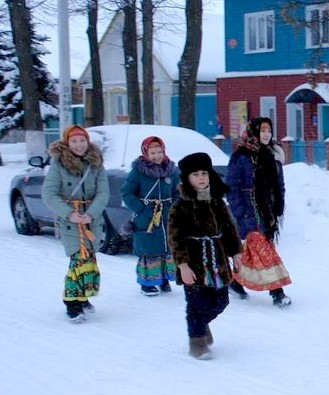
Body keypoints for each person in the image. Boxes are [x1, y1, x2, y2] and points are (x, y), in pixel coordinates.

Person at [168, 152, 242, 360]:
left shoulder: (217, 202)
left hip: (217, 261)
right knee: (196, 304)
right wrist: (182, 265)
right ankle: (197, 342)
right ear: (187, 179)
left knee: (221, 301)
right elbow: (175, 238)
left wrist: (235, 253)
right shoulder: (180, 207)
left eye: (204, 173)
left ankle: (201, 323)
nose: (201, 178)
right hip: (193, 263)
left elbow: (229, 228)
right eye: (195, 175)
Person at [41, 125, 109, 322]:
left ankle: (83, 295)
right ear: (67, 143)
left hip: (91, 219)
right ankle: (72, 302)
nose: (79, 145)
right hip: (70, 220)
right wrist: (69, 213)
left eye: (82, 140)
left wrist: (92, 213)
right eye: (74, 141)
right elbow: (49, 194)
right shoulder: (58, 164)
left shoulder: (96, 163)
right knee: (78, 259)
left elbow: (103, 192)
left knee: (89, 259)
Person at [225, 116, 293, 308]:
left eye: (269, 130)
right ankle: (277, 292)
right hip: (248, 211)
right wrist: (239, 212)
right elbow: (231, 187)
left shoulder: (273, 155)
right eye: (262, 130)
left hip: (267, 212)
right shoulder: (242, 156)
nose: (266, 134)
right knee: (265, 251)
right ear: (254, 131)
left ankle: (235, 282)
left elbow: (279, 184)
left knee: (250, 252)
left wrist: (279, 206)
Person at [120, 136, 180, 296]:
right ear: (146, 153)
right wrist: (141, 208)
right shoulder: (138, 171)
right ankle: (147, 282)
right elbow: (126, 192)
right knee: (149, 248)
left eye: (159, 152)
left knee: (167, 247)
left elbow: (177, 191)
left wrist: (174, 205)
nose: (157, 156)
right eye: (153, 152)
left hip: (167, 214)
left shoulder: (171, 170)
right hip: (147, 216)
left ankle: (164, 279)